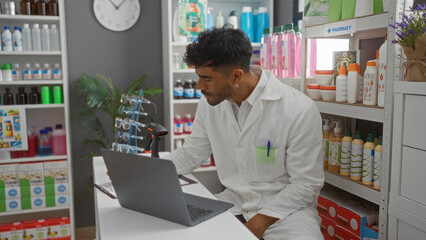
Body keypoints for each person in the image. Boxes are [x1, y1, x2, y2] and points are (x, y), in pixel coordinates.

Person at [166, 25, 324, 240]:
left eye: (207, 78)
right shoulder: (210, 104)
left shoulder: (299, 109)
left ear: (236, 76)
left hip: (286, 212)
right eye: (198, 76)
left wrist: (256, 225)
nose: (199, 86)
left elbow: (306, 184)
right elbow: (191, 154)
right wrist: (147, 171)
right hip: (232, 203)